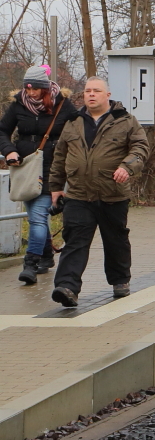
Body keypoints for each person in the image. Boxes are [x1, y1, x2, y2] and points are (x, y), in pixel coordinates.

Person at [47, 78, 149, 307]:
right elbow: (60, 157)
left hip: (112, 194)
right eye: (87, 91)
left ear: (107, 94)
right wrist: (55, 188)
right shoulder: (72, 122)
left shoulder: (125, 121)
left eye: (97, 91)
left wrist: (126, 166)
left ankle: (120, 280)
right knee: (75, 241)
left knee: (115, 240)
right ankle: (66, 287)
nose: (91, 94)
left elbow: (141, 148)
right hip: (78, 194)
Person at [0, 65, 79, 285]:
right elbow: (2, 130)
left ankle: (30, 264)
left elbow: (79, 130)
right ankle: (46, 255)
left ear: (45, 88)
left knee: (36, 218)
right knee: (36, 215)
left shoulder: (62, 104)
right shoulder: (18, 105)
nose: (31, 93)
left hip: (52, 168)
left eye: (35, 89)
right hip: (25, 167)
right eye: (28, 88)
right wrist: (9, 150)